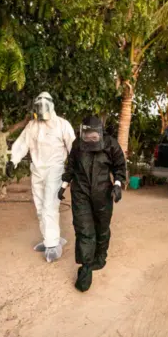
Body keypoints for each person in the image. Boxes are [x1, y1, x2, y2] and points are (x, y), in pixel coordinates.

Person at [58, 115, 127, 292]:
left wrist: (118, 185)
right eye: (87, 135)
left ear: (100, 133)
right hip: (80, 192)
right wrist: (64, 185)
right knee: (84, 230)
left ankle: (100, 256)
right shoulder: (77, 145)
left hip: (103, 193)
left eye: (93, 136)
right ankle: (86, 268)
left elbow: (119, 166)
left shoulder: (111, 144)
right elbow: (71, 166)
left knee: (102, 227)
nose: (90, 139)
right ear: (82, 132)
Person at [6, 92, 75, 262]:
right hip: (36, 170)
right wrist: (13, 161)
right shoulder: (32, 125)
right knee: (39, 207)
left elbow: (74, 147)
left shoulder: (62, 125)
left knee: (49, 207)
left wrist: (75, 169)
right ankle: (50, 238)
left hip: (55, 170)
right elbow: (22, 144)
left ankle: (52, 245)